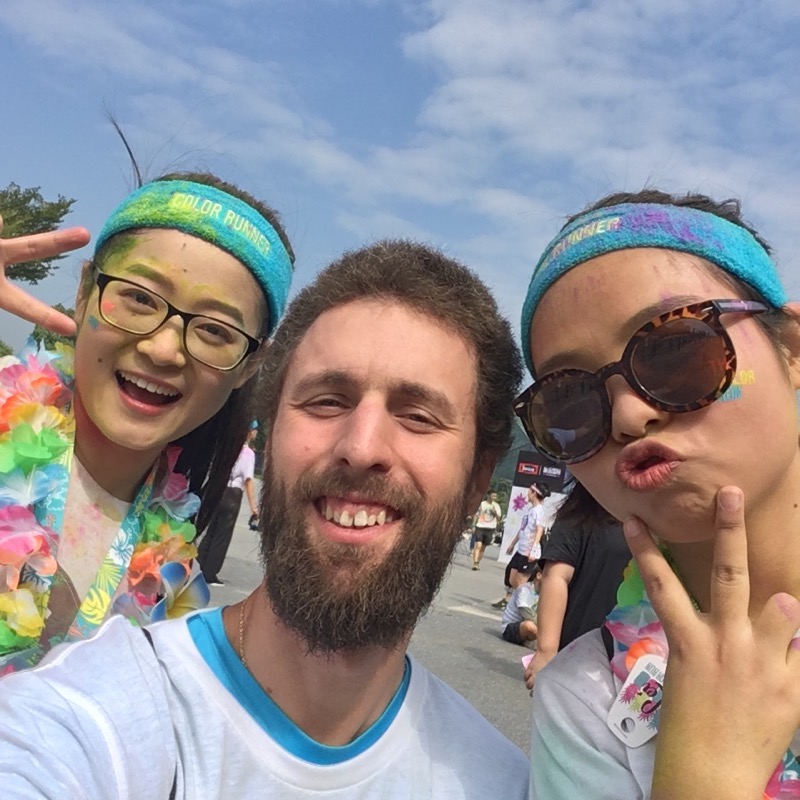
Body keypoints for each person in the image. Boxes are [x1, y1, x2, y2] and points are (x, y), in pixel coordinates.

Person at [0, 239, 530, 798]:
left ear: (478, 479)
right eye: (326, 400)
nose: (362, 445)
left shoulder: (503, 782)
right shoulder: (92, 715)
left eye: (418, 415)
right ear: (270, 434)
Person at [515, 189, 800, 799]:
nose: (626, 413)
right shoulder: (587, 700)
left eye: (673, 349)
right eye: (569, 399)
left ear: (792, 351)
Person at [0, 173, 294, 673]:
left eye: (215, 330)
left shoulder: (175, 570)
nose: (163, 349)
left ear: (249, 365)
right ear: (85, 290)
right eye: (139, 297)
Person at [522, 481, 630, 691]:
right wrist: (546, 651)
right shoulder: (583, 511)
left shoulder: (663, 517)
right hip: (579, 656)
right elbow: (556, 576)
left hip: (643, 665)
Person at [198, 421, 260, 585]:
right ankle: (210, 574)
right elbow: (248, 480)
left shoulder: (229, 448)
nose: (256, 433)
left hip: (220, 489)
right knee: (222, 535)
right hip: (233, 493)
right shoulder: (248, 453)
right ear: (249, 432)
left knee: (210, 531)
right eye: (255, 430)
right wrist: (253, 505)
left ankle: (198, 566)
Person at [500, 561, 543, 648]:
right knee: (529, 626)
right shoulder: (524, 590)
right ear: (538, 575)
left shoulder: (545, 593)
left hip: (534, 628)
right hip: (512, 627)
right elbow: (528, 615)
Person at [471, 489, 503, 569]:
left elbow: (499, 519)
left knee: (483, 548)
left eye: (495, 496)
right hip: (480, 526)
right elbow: (476, 514)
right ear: (488, 495)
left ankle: (478, 562)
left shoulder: (496, 506)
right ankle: (474, 562)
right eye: (493, 496)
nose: (494, 497)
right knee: (478, 545)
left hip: (490, 528)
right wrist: (473, 525)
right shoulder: (482, 504)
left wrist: (495, 512)